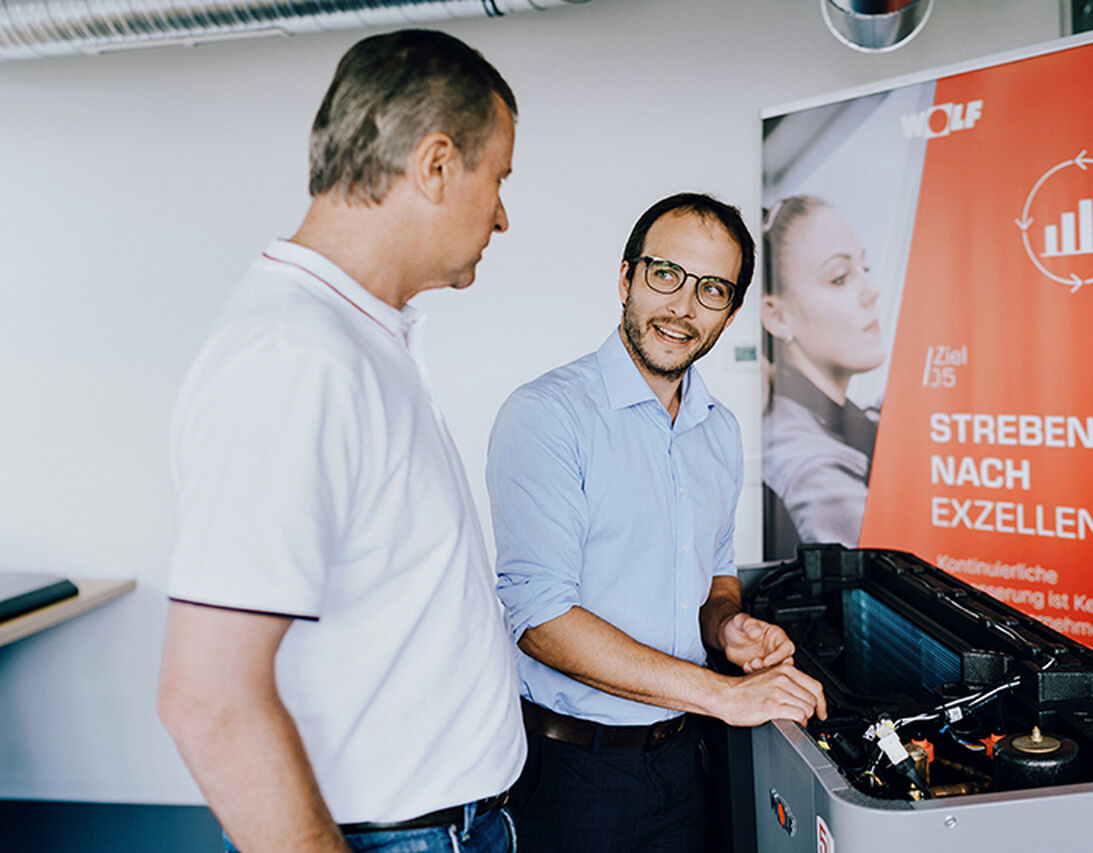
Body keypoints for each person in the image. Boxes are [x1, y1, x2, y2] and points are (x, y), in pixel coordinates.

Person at [157, 30, 525, 853]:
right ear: (435, 165)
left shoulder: (356, 338)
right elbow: (207, 699)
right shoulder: (296, 360)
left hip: (446, 827)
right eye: (497, 177)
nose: (502, 213)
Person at [486, 192, 828, 852]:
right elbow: (542, 622)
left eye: (711, 289)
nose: (683, 306)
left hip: (684, 759)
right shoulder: (546, 416)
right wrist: (725, 695)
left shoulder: (720, 432)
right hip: (572, 770)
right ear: (626, 278)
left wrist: (729, 625)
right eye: (664, 274)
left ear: (731, 311)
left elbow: (715, 577)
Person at [760, 194, 889, 556]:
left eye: (866, 268)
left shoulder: (835, 419)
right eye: (839, 278)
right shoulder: (812, 466)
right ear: (777, 317)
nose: (871, 291)